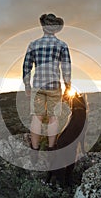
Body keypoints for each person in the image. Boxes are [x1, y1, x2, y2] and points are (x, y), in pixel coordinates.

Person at [23, 13, 72, 152]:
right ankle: (51, 149)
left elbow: (27, 66)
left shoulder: (33, 45)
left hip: (38, 86)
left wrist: (27, 84)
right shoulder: (62, 45)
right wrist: (67, 85)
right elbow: (66, 67)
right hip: (54, 87)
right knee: (53, 118)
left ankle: (34, 149)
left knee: (37, 118)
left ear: (43, 27)